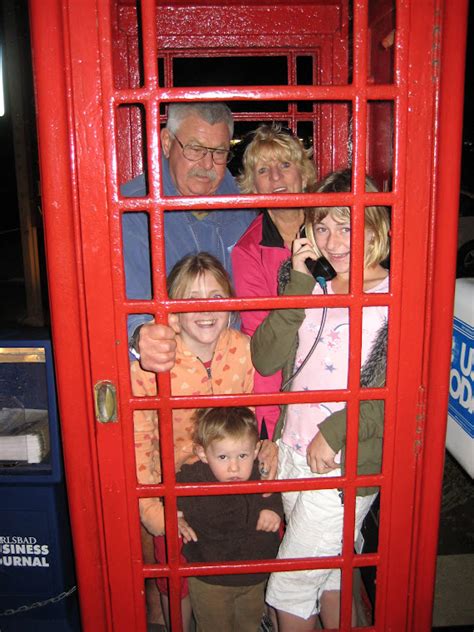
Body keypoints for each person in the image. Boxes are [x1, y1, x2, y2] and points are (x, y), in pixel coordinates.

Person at [251, 168, 390, 630]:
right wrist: (299, 286)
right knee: (330, 571)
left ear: (375, 225)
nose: (333, 241)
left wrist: (335, 434)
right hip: (292, 450)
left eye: (347, 225)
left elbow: (399, 390)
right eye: (322, 226)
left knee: (289, 587)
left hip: (342, 463)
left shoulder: (398, 294)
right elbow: (265, 357)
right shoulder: (308, 281)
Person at [132, 253, 255, 631]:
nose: (205, 309)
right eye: (190, 298)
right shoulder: (151, 363)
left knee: (237, 571)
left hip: (231, 485)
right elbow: (140, 441)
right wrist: (155, 509)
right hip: (173, 490)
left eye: (216, 297)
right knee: (177, 580)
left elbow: (258, 420)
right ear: (171, 310)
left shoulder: (245, 350)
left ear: (230, 303)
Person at [122, 102, 256, 373]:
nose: (207, 165)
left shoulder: (245, 202)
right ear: (167, 142)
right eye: (195, 149)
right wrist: (139, 338)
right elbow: (121, 305)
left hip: (239, 372)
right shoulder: (132, 209)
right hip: (173, 374)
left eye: (219, 152)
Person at [231, 123, 317, 440]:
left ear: (304, 174)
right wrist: (268, 417)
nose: (276, 177)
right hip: (286, 392)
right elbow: (260, 341)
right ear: (252, 185)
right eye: (264, 170)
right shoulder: (248, 251)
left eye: (285, 165)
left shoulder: (332, 227)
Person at [176, 407, 283, 632]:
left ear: (255, 451)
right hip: (210, 579)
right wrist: (174, 516)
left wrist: (272, 510)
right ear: (203, 453)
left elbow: (275, 494)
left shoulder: (260, 472)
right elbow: (171, 499)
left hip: (254, 575)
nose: (234, 467)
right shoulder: (192, 477)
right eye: (223, 457)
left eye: (242, 456)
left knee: (249, 626)